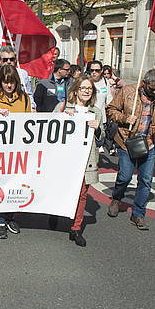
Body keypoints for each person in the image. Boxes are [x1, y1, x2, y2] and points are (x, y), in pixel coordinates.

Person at [106, 69, 155, 230]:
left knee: (146, 180)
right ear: (144, 83)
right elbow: (111, 110)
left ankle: (138, 214)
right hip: (127, 142)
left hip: (150, 143)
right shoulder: (128, 92)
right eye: (152, 88)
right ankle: (117, 197)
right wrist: (124, 118)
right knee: (124, 176)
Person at [50, 75, 103, 247]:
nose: (87, 91)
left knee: (82, 195)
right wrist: (63, 116)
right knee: (59, 188)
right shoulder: (63, 106)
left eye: (90, 89)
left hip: (86, 158)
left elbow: (102, 139)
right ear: (76, 90)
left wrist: (98, 129)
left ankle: (76, 228)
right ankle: (55, 212)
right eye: (83, 88)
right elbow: (49, 127)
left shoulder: (96, 112)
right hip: (65, 158)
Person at [0, 65, 31, 239]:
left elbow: (29, 122)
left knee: (15, 183)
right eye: (5, 82)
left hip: (17, 149)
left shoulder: (24, 99)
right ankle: (0, 220)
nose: (9, 86)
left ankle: (11, 216)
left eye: (12, 82)